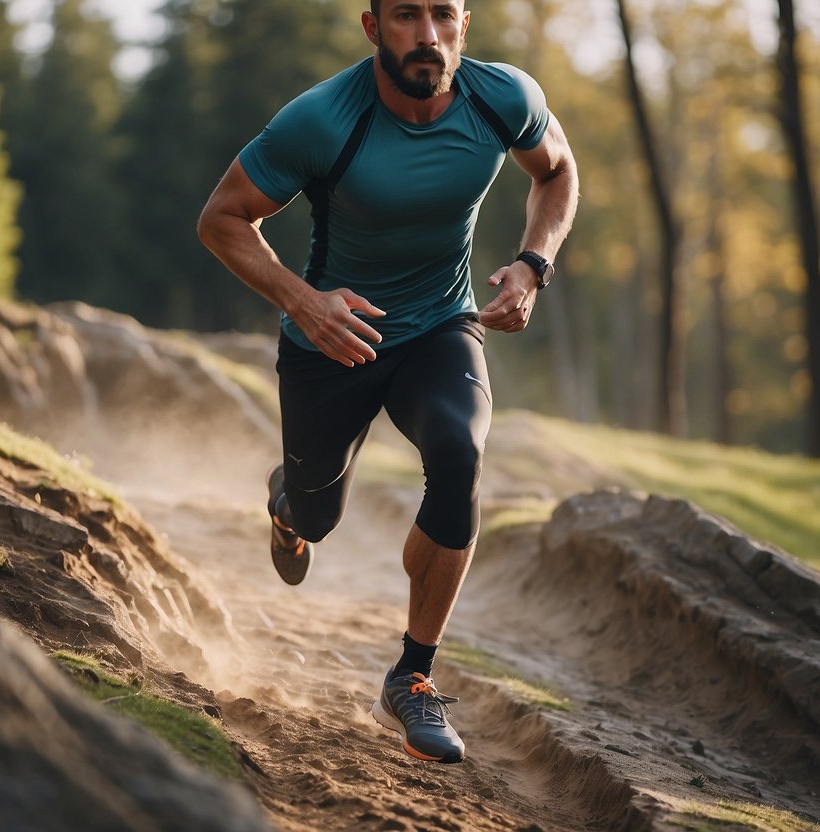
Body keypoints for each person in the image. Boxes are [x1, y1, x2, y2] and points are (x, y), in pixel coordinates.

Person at [198, 0, 578, 764]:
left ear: (464, 23)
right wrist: (303, 303)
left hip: (440, 327)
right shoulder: (321, 120)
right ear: (373, 28)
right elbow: (222, 218)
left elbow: (558, 170)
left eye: (443, 14)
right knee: (315, 515)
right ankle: (289, 503)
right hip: (330, 339)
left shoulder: (502, 97)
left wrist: (533, 265)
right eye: (406, 15)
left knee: (458, 458)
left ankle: (412, 677)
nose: (427, 35)